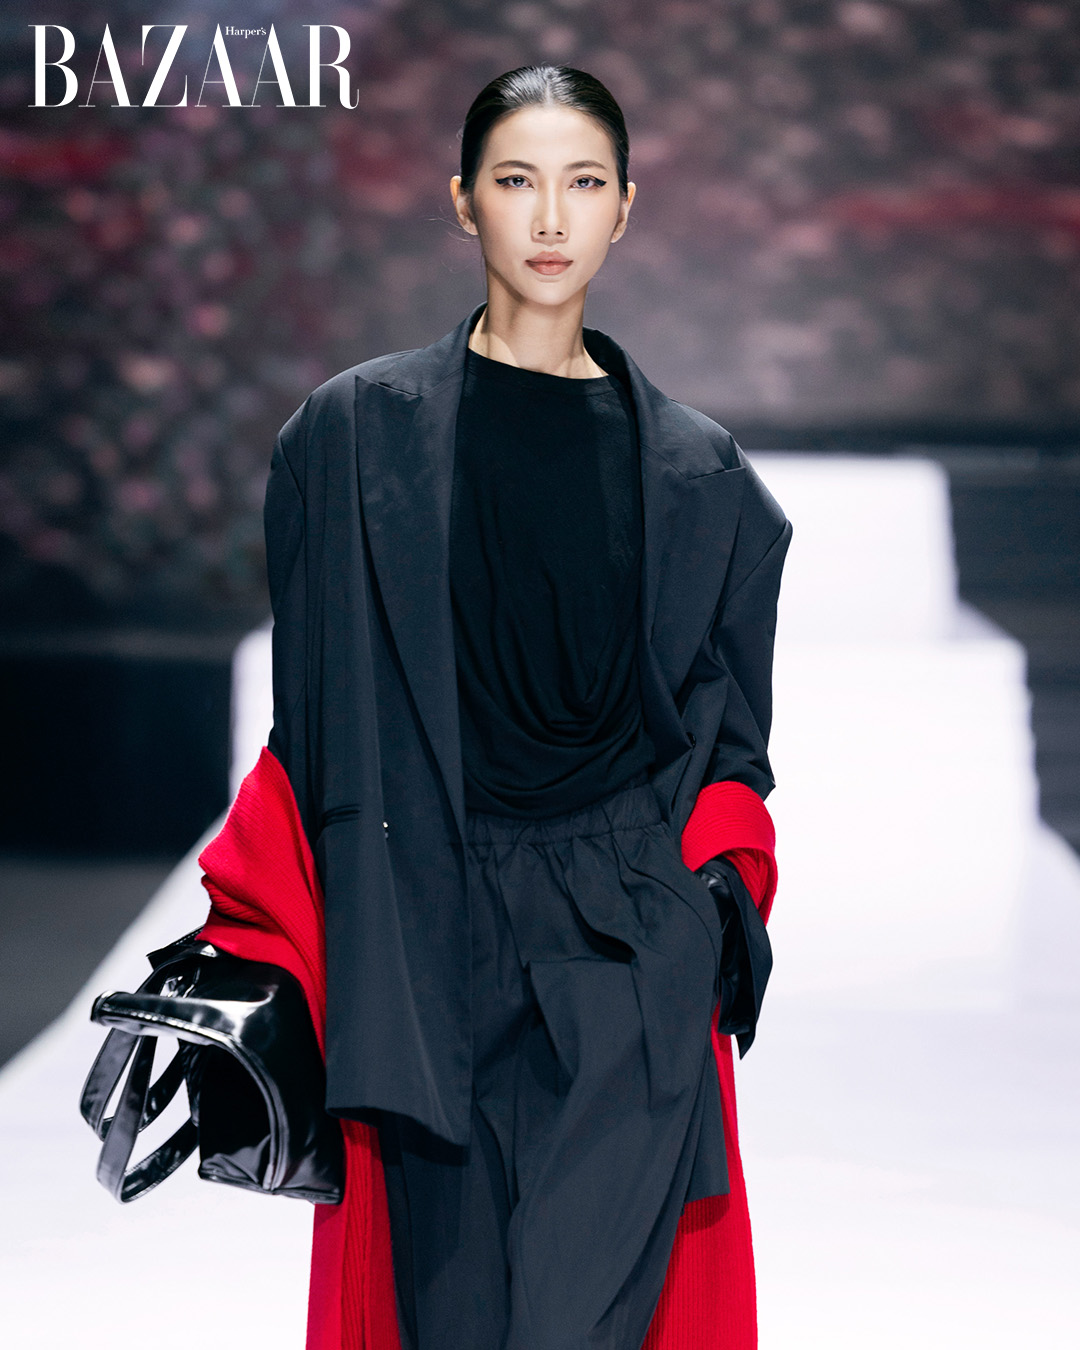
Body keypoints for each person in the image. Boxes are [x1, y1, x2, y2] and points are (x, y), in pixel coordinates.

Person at [203, 63, 792, 1350]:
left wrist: (710, 906)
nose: (550, 217)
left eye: (584, 183)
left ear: (626, 207)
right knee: (450, 1320)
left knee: (587, 1321)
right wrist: (256, 934)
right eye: (518, 181)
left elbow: (730, 743)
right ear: (463, 200)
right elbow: (315, 727)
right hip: (424, 939)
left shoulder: (705, 478)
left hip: (627, 939)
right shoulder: (347, 439)